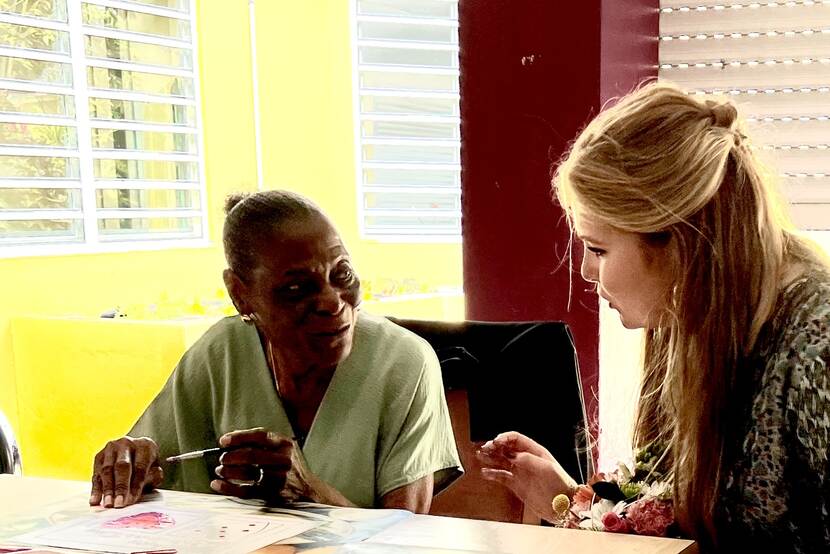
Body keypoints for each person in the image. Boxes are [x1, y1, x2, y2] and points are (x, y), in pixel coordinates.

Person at [478, 82, 830, 552]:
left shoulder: (817, 349)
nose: (585, 270)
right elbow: (680, 531)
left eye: (599, 249)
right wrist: (567, 500)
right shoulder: (692, 316)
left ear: (679, 244)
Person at [89, 190, 461, 513]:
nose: (332, 303)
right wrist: (132, 464)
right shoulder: (220, 353)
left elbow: (404, 537)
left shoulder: (404, 364)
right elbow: (161, 465)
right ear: (240, 294)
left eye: (342, 274)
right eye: (297, 289)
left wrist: (309, 491)